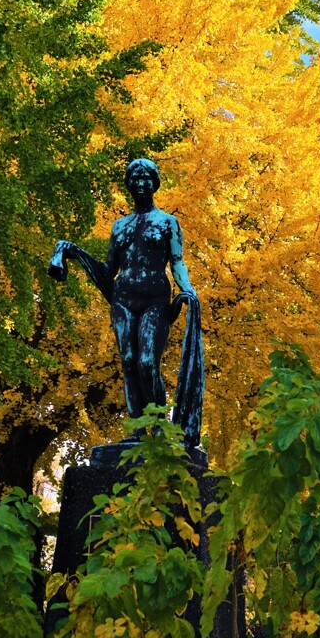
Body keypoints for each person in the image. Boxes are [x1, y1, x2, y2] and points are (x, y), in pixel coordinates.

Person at [49, 159, 202, 438]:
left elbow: (177, 261)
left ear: (154, 184)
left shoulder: (168, 222)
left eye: (146, 178)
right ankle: (137, 427)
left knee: (147, 361)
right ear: (129, 185)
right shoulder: (120, 226)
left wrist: (187, 288)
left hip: (155, 297)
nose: (141, 183)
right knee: (129, 360)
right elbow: (109, 270)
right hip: (123, 298)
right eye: (135, 178)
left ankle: (157, 424)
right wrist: (75, 253)